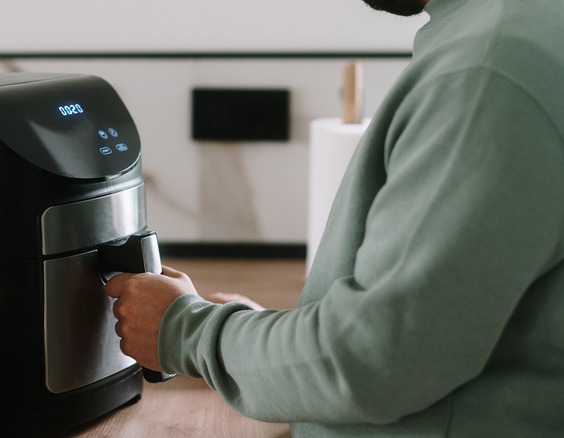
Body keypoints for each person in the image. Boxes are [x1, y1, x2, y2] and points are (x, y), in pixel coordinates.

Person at [105, 0, 564, 435]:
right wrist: (265, 350)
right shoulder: (514, 30)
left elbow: (375, 361)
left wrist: (188, 332)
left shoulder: (486, 71)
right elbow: (432, 327)